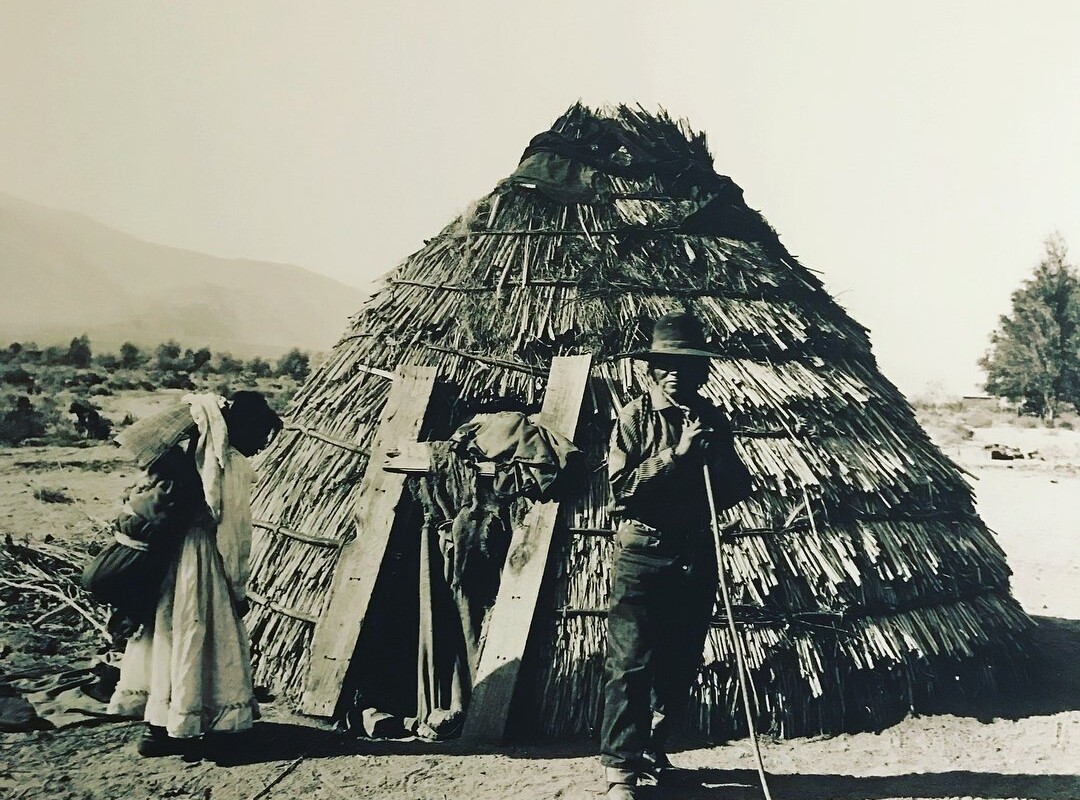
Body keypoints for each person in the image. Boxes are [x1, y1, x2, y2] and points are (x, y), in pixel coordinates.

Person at [600, 311, 753, 799]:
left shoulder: (713, 418)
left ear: (703, 373)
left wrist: (718, 460)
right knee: (630, 664)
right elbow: (621, 491)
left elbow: (736, 489)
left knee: (679, 662)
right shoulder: (633, 418)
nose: (676, 375)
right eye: (666, 365)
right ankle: (620, 771)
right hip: (643, 554)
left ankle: (652, 751)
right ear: (649, 370)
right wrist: (677, 457)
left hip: (693, 554)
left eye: (687, 367)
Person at [107, 391, 282, 758]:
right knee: (207, 638)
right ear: (244, 430)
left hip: (172, 558)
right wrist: (236, 587)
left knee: (167, 634)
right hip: (203, 561)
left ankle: (159, 729)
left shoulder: (194, 456)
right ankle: (217, 728)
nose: (257, 448)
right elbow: (233, 535)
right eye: (258, 438)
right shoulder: (225, 463)